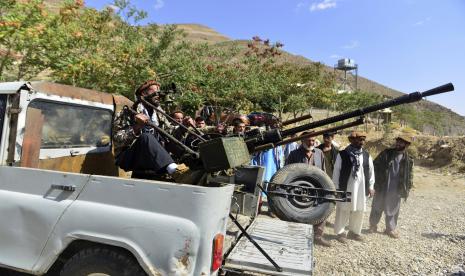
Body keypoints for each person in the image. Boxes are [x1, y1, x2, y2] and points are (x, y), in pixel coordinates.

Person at [113, 80, 178, 179]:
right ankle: (174, 171)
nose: (159, 95)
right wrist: (137, 127)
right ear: (144, 93)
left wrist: (184, 128)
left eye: (160, 92)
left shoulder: (158, 112)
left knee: (174, 141)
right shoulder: (129, 111)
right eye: (155, 92)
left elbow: (169, 132)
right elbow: (117, 139)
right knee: (146, 137)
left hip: (152, 158)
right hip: (129, 156)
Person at [285, 132, 330, 247]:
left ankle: (318, 236)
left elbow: (323, 172)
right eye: (309, 140)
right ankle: (296, 237)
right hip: (298, 188)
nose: (311, 143)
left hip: (316, 188)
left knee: (322, 210)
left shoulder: (319, 153)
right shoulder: (294, 154)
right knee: (298, 212)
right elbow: (286, 172)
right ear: (302, 140)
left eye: (313, 140)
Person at [332, 131, 375, 243]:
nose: (361, 142)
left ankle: (354, 232)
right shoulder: (342, 154)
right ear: (351, 140)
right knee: (343, 209)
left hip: (361, 188)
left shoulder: (366, 155)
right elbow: (336, 171)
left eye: (363, 140)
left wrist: (371, 186)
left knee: (359, 210)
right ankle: (340, 232)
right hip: (346, 187)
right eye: (359, 139)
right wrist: (336, 187)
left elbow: (371, 172)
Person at [368, 135, 414, 239]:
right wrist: (374, 182)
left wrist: (408, 187)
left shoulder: (408, 159)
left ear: (406, 145)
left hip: (396, 187)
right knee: (377, 205)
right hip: (382, 185)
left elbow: (410, 175)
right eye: (397, 141)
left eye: (401, 143)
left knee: (393, 207)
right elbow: (374, 165)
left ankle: (390, 229)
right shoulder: (386, 153)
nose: (398, 144)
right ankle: (373, 225)